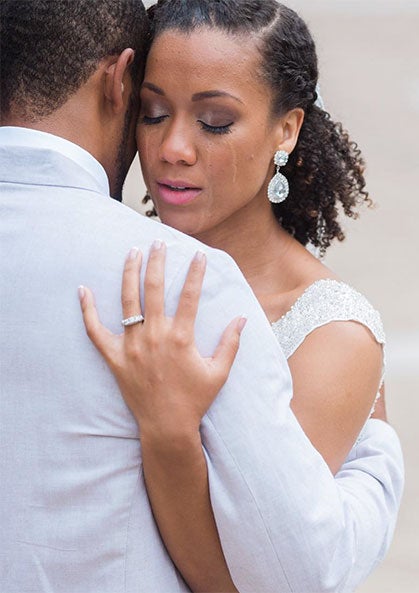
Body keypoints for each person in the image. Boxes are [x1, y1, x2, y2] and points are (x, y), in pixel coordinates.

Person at [0, 1, 403, 593]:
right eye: (153, 112)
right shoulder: (118, 262)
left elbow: (256, 581)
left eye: (214, 122)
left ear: (285, 129)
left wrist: (169, 434)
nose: (172, 148)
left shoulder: (331, 334)